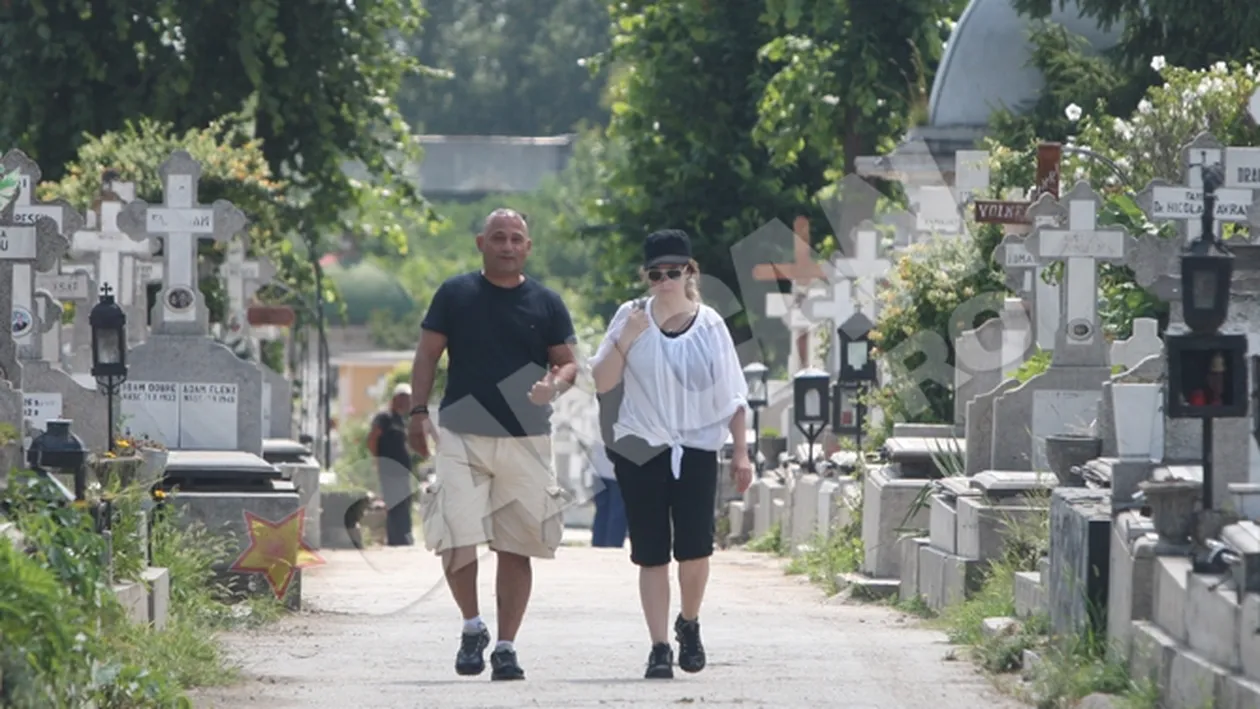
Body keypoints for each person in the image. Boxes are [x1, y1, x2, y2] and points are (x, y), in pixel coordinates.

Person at [407, 208, 578, 681]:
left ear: (528, 247)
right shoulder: (455, 294)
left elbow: (567, 363)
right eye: (498, 237)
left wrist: (554, 385)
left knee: (516, 546)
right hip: (462, 434)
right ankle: (471, 626)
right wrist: (418, 413)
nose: (507, 245)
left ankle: (505, 646)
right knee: (456, 538)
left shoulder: (546, 302)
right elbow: (426, 355)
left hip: (526, 439)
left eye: (516, 238)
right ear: (481, 242)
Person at [589, 228, 754, 680]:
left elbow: (733, 394)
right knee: (651, 551)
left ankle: (690, 622)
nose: (663, 280)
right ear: (647, 276)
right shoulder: (629, 316)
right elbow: (602, 381)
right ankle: (659, 645)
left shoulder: (711, 324)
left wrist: (741, 452)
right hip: (642, 447)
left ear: (689, 272)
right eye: (655, 273)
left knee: (695, 548)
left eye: (673, 272)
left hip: (697, 448)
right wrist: (626, 338)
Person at [366, 383, 417, 546]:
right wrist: (378, 460)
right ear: (395, 399)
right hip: (389, 469)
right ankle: (395, 539)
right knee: (394, 502)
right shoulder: (384, 417)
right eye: (403, 399)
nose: (406, 403)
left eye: (408, 399)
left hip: (402, 470)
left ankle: (404, 536)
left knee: (405, 501)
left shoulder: (401, 420)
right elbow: (373, 438)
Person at [588, 440, 627, 548]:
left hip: (598, 466)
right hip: (619, 467)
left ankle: (598, 545)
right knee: (618, 511)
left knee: (602, 510)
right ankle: (612, 546)